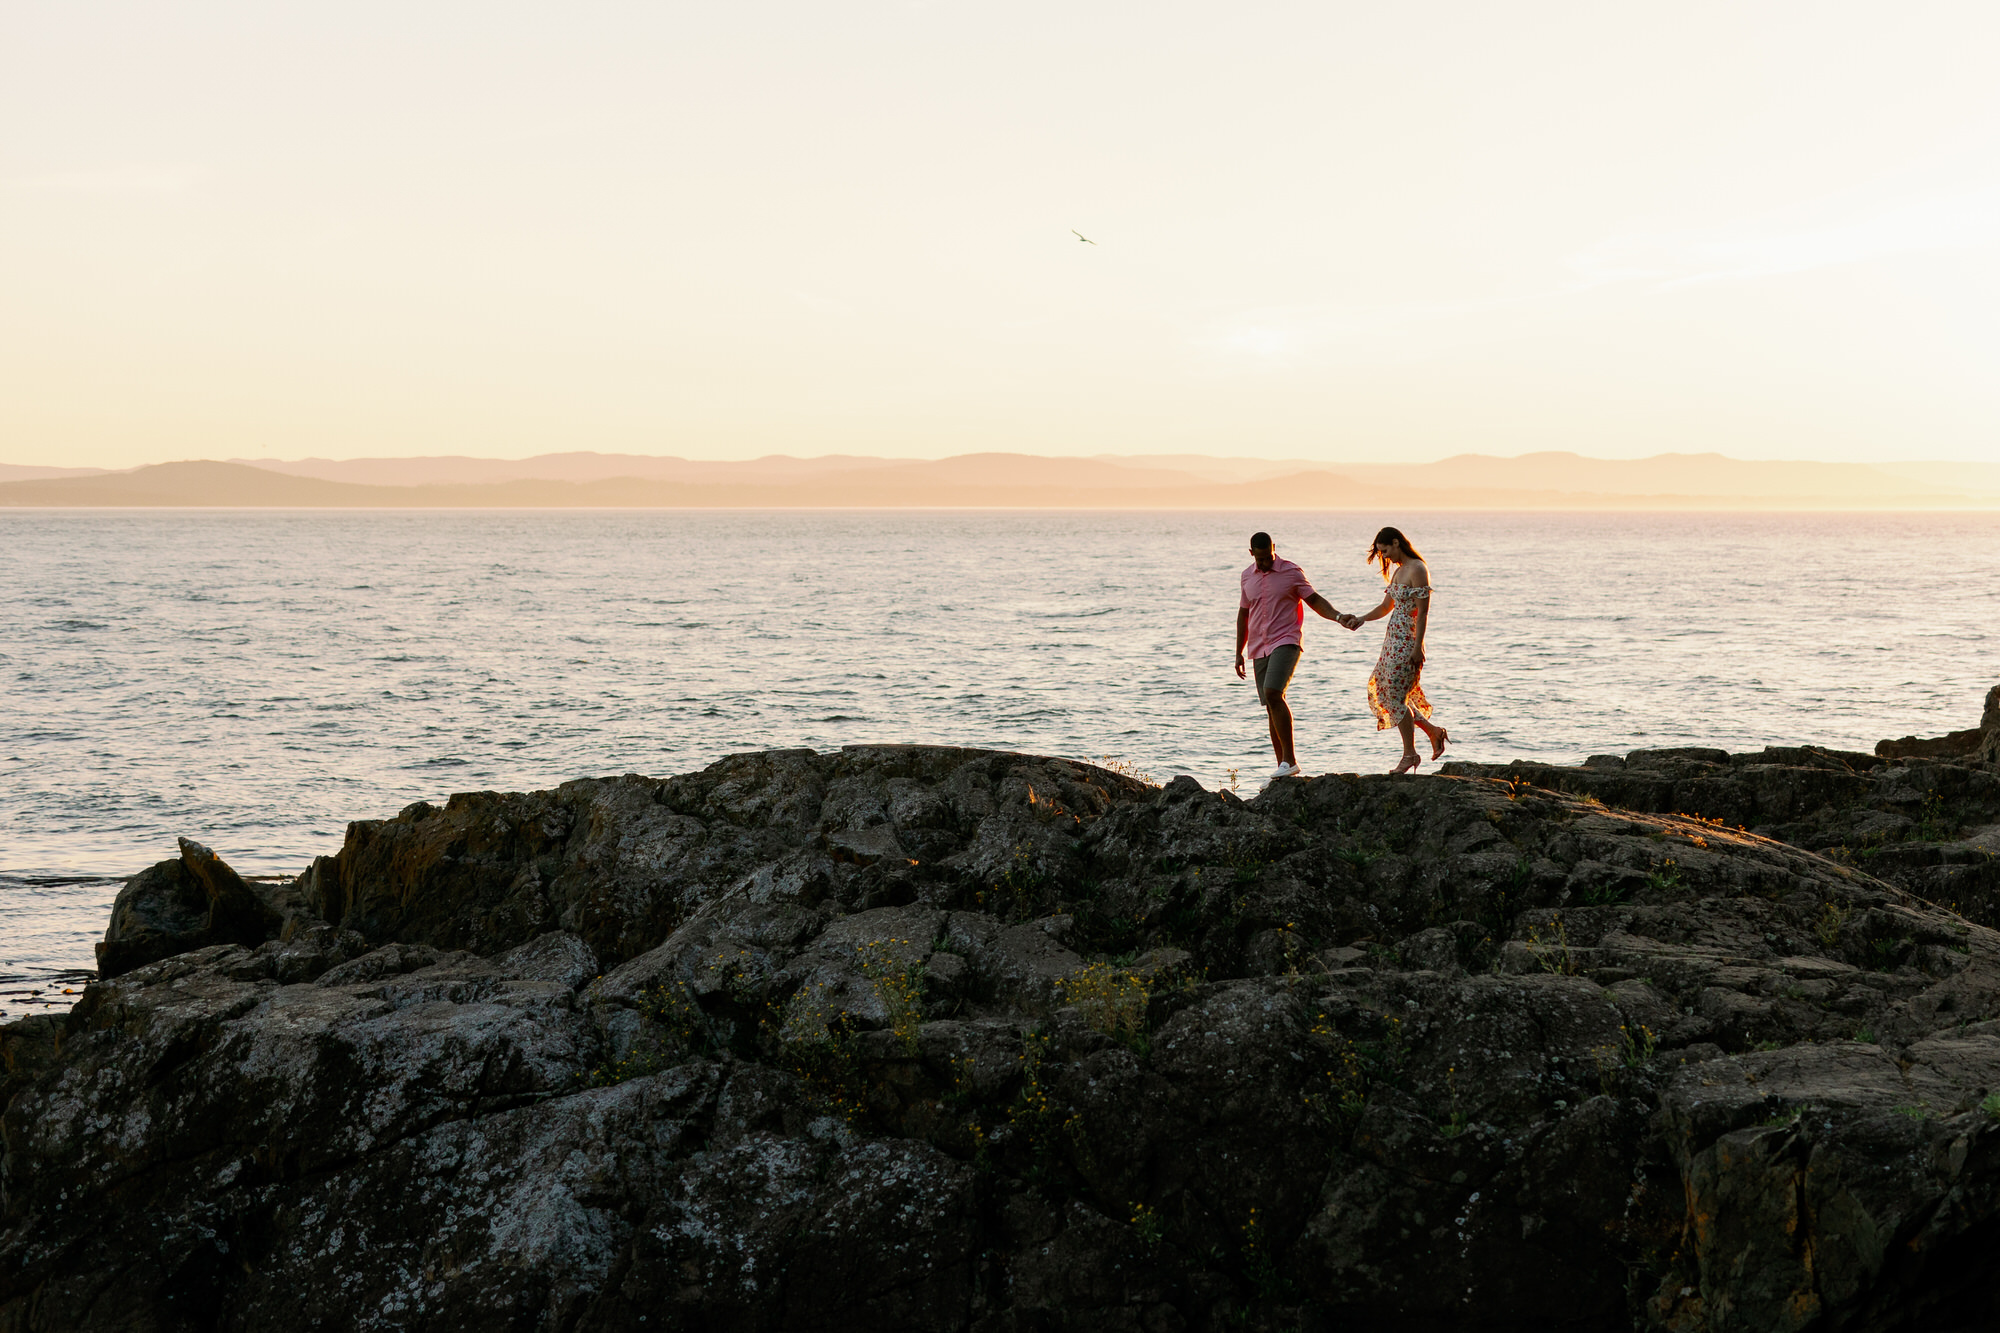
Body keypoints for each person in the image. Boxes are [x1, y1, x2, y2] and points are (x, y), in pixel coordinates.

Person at [1235, 532, 1347, 778]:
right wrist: (1238, 652)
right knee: (1270, 705)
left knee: (1273, 692)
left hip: (1286, 640)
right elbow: (1244, 614)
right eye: (1260, 559)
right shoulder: (1246, 576)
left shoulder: (1291, 572)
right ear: (1251, 553)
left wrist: (1338, 617)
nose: (1265, 563)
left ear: (1274, 548)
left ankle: (1291, 760)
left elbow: (1314, 599)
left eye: (1268, 557)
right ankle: (1283, 768)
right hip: (1258, 646)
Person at [1339, 526, 1447, 774]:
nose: (1385, 556)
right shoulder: (1399, 571)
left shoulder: (1418, 569)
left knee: (1397, 699)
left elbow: (1423, 612)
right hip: (1391, 641)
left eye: (1386, 550)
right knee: (1387, 693)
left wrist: (1418, 646)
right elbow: (1386, 606)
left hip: (1408, 641)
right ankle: (1433, 732)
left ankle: (1410, 754)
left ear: (1397, 543)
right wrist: (1361, 619)